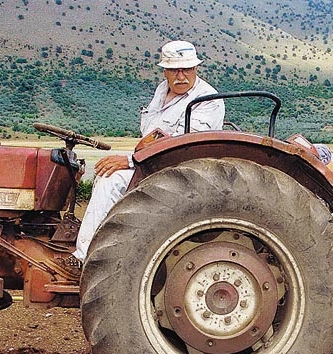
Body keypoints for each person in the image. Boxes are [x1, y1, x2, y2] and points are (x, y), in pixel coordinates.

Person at [70, 40, 225, 267]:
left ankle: (84, 258)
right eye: (174, 70)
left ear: (196, 69)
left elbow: (182, 145)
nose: (181, 76)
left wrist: (129, 161)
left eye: (187, 69)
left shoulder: (207, 99)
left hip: (179, 169)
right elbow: (153, 135)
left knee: (110, 179)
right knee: (104, 169)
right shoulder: (162, 91)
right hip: (153, 163)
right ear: (165, 71)